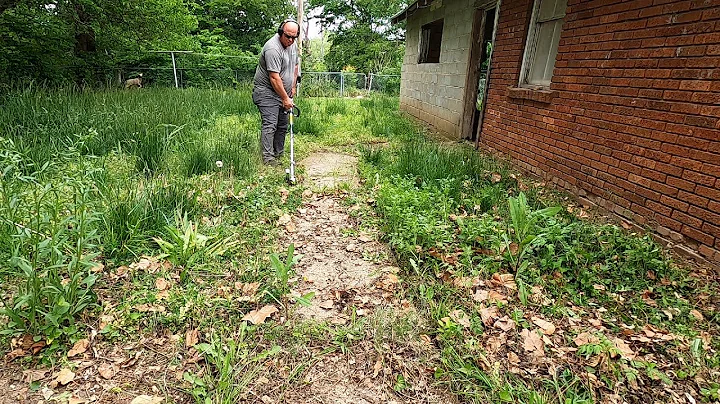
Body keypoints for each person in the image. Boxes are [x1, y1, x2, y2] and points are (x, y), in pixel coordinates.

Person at [252, 18, 300, 166]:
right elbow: (274, 78)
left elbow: (295, 65)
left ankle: (278, 153)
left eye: (294, 37)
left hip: (283, 92)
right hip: (266, 91)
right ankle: (268, 159)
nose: (291, 40)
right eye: (288, 36)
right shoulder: (272, 48)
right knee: (270, 124)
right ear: (281, 32)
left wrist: (292, 87)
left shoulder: (293, 44)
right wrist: (285, 98)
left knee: (282, 125)